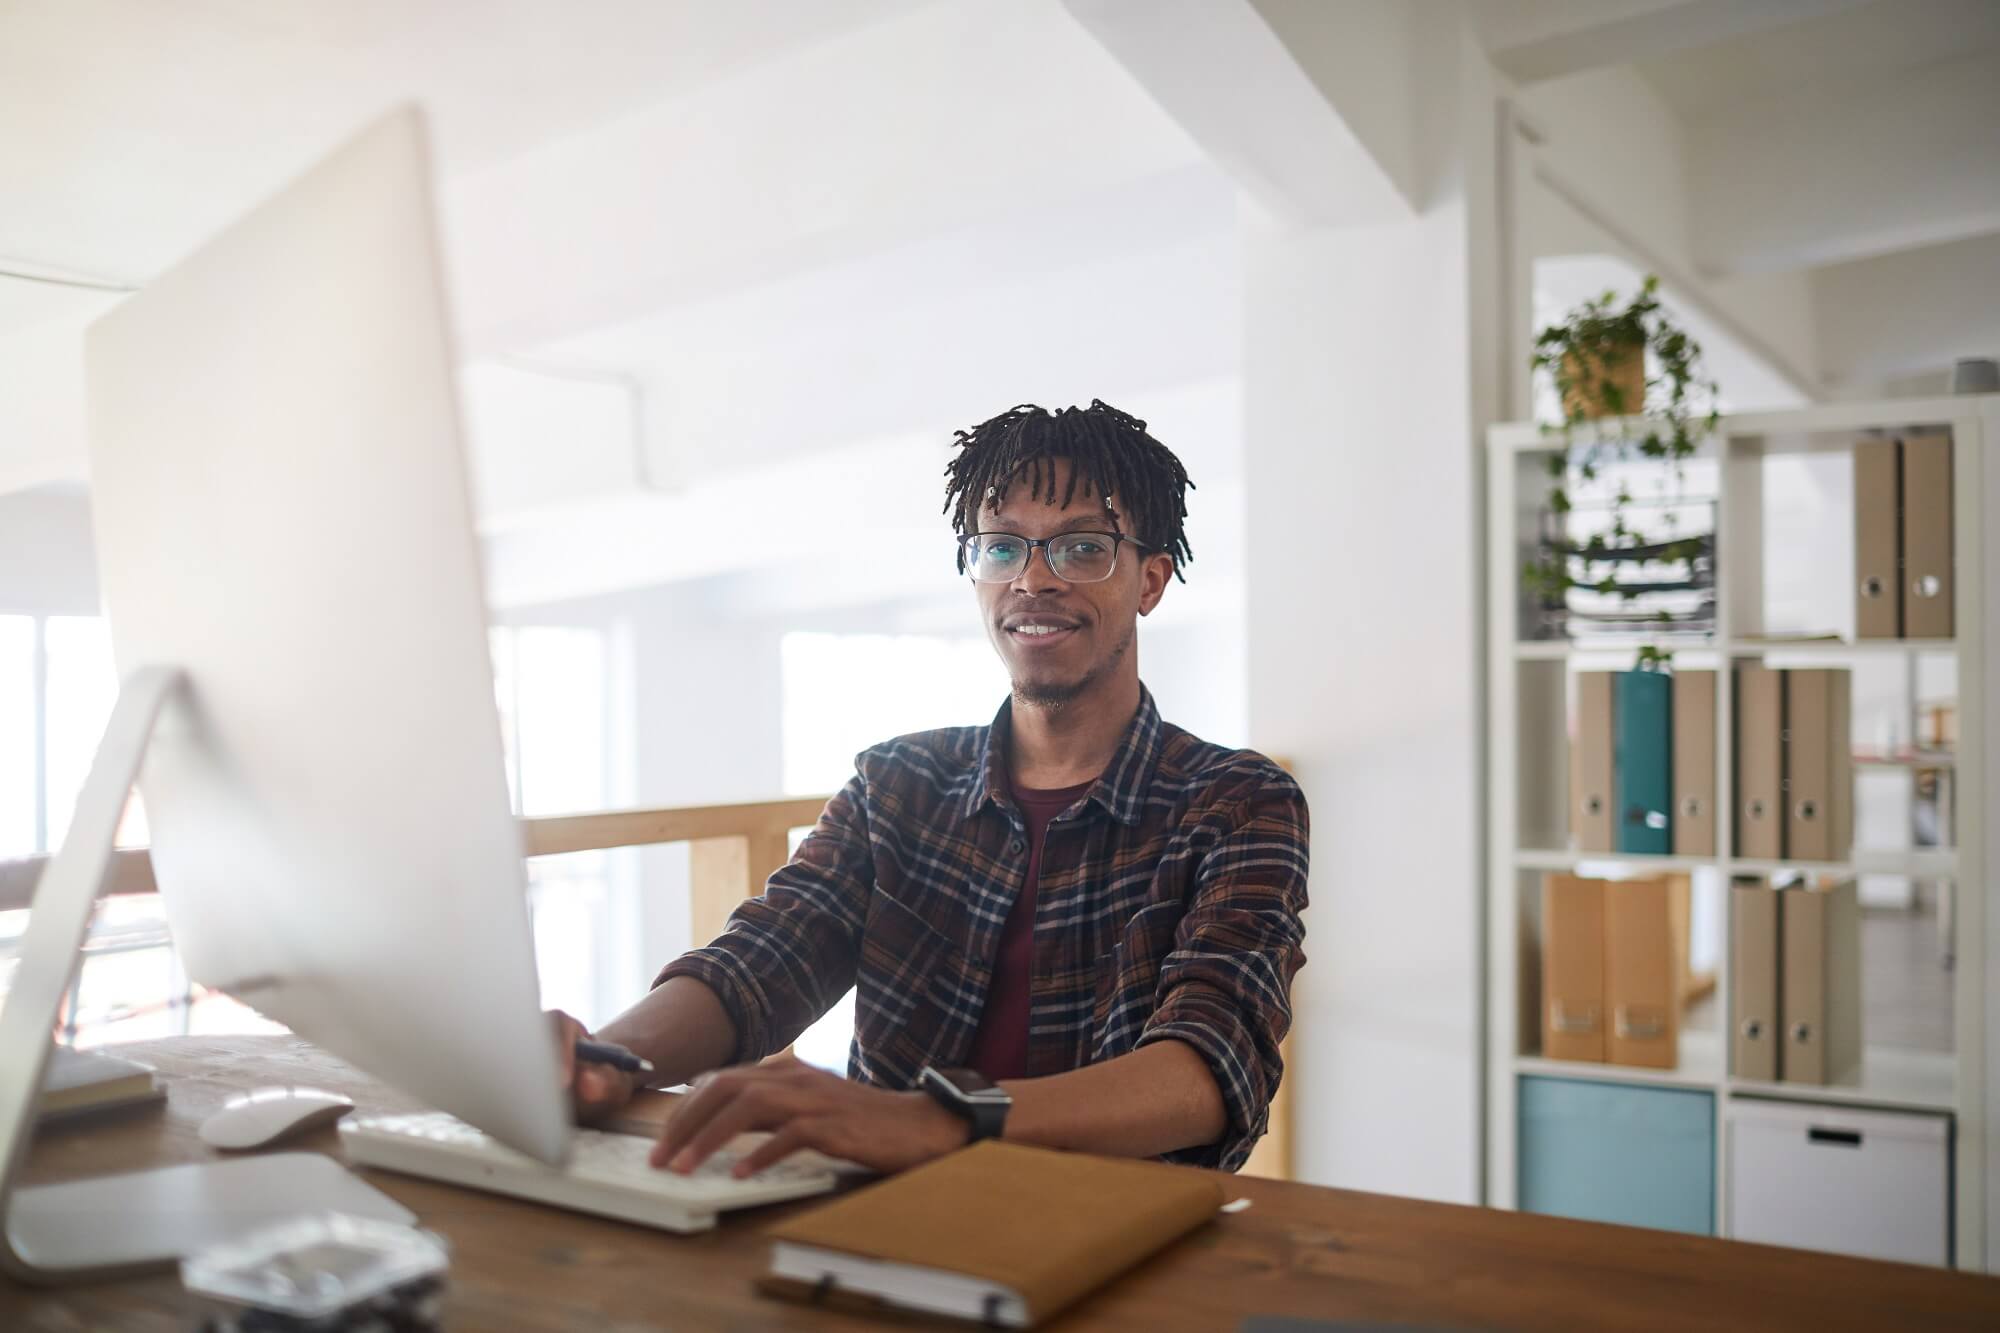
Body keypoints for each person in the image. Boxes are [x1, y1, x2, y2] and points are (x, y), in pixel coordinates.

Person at [550, 400, 1308, 1176]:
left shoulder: (1237, 802)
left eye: (1083, 548)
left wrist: (934, 1120)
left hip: (1116, 1231)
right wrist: (606, 1059)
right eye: (1002, 547)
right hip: (884, 1223)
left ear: (1150, 581)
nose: (1033, 578)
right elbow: (759, 962)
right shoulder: (898, 786)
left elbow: (1205, 1068)